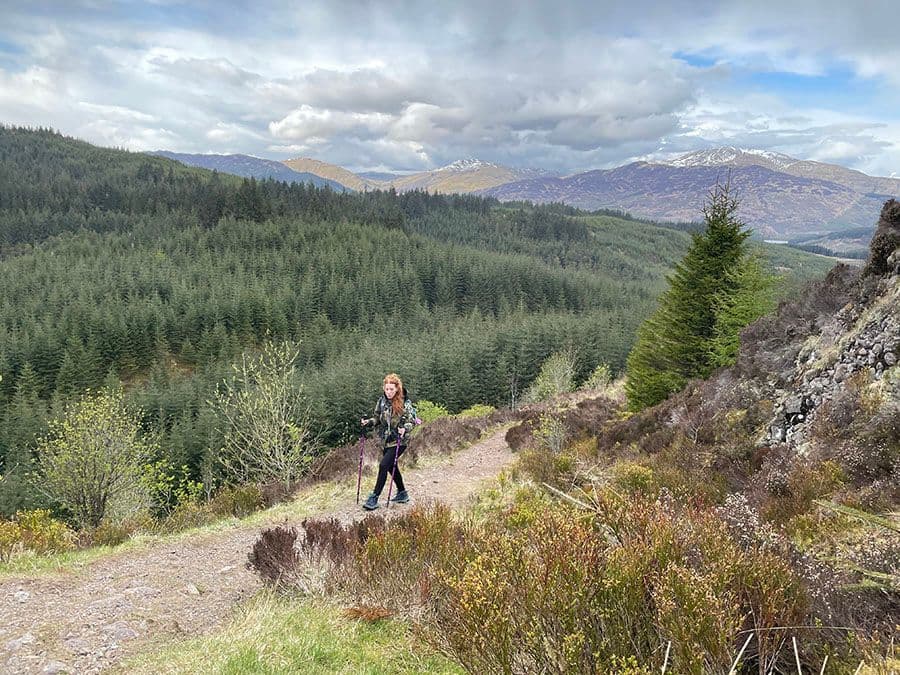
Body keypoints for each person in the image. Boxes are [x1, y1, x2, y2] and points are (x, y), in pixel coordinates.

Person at [360, 373, 416, 510]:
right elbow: (377, 417)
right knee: (392, 466)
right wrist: (369, 422)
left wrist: (405, 428)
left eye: (392, 389)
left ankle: (374, 497)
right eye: (387, 389)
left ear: (397, 388)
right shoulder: (382, 401)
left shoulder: (404, 402)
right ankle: (402, 493)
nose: (389, 392)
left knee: (384, 465)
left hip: (400, 440)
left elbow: (412, 420)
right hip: (385, 440)